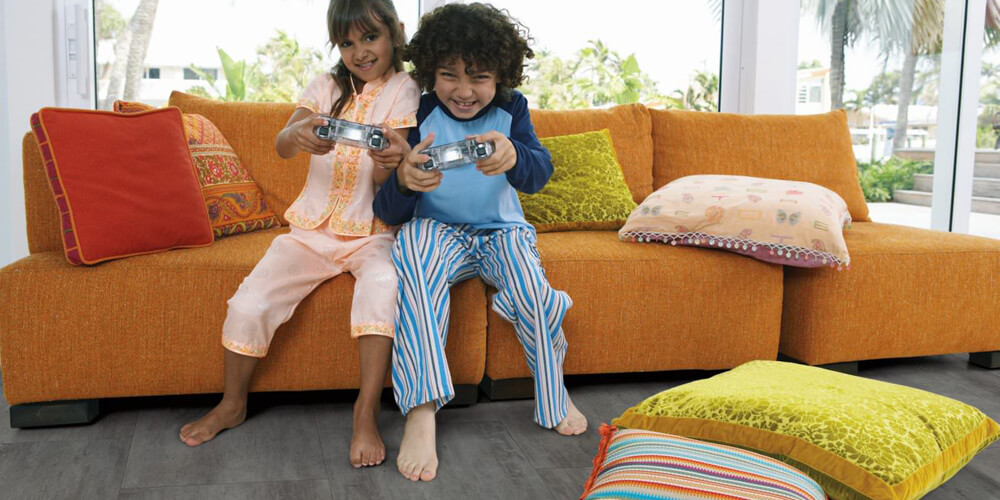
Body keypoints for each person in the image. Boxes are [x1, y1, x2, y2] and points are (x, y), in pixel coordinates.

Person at [179, 0, 420, 470]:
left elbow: (390, 184)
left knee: (382, 285)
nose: (359, 51)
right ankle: (232, 404)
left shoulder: (405, 91)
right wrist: (301, 134)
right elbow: (283, 141)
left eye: (370, 37)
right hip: (309, 229)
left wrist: (392, 161)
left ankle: (364, 411)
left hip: (373, 233)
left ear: (396, 32)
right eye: (347, 42)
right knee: (248, 301)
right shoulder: (326, 85)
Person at [372, 2, 588, 483]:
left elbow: (538, 175)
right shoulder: (420, 110)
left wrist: (515, 155)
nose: (464, 91)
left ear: (501, 76)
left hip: (500, 231)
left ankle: (553, 390)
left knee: (532, 290)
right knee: (414, 259)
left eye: (480, 78)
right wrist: (405, 180)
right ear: (430, 71)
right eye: (448, 75)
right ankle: (422, 409)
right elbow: (386, 212)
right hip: (437, 230)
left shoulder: (513, 108)